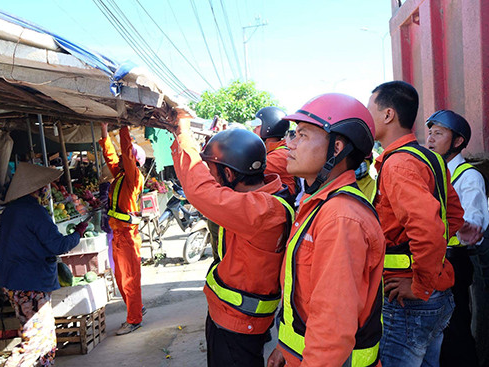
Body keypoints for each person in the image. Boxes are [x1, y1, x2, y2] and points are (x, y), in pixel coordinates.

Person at [267, 93, 385, 367]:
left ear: (337, 148)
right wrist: (285, 348)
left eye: (302, 136)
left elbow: (332, 330)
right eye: (292, 135)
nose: (289, 144)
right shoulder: (319, 204)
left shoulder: (340, 218)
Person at [170, 110, 294, 367]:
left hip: (238, 324)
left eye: (214, 171)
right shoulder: (263, 199)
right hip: (233, 319)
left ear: (230, 174)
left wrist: (183, 132)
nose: (212, 178)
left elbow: (200, 190)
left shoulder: (259, 211)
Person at [367, 81, 471, 366]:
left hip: (410, 301)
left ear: (388, 115)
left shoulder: (398, 164)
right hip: (437, 293)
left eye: (369, 109)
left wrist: (420, 285)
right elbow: (454, 217)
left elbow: (427, 228)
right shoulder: (429, 157)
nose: (366, 116)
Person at [0, 162, 88, 367]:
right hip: (30, 283)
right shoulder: (34, 212)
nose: (47, 188)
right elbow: (58, 245)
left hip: (16, 281)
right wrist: (78, 233)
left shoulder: (10, 212)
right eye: (44, 185)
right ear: (37, 188)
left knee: (43, 338)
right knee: (37, 342)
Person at [425, 110, 487, 367]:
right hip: (435, 263)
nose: (430, 138)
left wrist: (463, 225)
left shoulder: (468, 176)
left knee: (455, 330)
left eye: (438, 133)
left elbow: (474, 222)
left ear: (458, 141)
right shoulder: (433, 173)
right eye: (429, 132)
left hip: (455, 263)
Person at [98, 123, 146, 335]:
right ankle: (136, 308)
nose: (122, 159)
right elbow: (111, 156)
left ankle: (134, 319)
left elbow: (126, 152)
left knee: (129, 279)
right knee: (121, 278)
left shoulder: (134, 177)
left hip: (127, 234)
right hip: (118, 233)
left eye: (127, 158)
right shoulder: (120, 176)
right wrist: (104, 131)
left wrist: (124, 128)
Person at [249, 106, 297, 196]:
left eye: (258, 126)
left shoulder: (280, 155)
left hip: (278, 207)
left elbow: (241, 171)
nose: (254, 130)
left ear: (268, 128)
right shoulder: (271, 151)